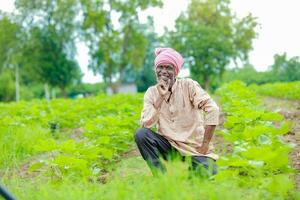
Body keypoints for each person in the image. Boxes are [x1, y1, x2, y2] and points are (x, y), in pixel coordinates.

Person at [134, 47, 220, 177]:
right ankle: (161, 177)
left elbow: (213, 109)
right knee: (141, 134)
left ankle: (191, 172)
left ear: (176, 71)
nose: (164, 71)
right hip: (168, 146)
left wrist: (205, 144)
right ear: (155, 70)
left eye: (169, 68)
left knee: (210, 173)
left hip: (193, 148)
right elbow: (145, 124)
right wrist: (160, 98)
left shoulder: (189, 86)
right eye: (160, 67)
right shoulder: (151, 93)